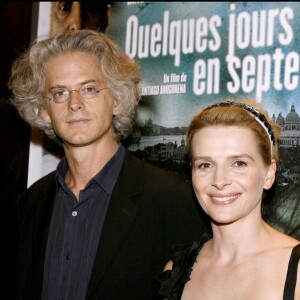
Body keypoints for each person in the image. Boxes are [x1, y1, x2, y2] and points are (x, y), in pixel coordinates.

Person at [8, 29, 210, 300]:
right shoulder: (31, 204)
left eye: (89, 89)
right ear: (44, 110)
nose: (75, 104)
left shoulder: (171, 200)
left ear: (116, 100)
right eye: (59, 93)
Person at [157, 99, 300, 300]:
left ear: (269, 174)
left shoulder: (297, 272)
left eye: (239, 163)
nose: (220, 181)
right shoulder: (175, 270)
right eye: (205, 165)